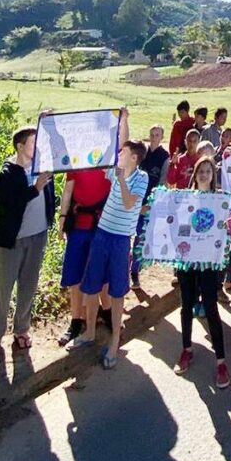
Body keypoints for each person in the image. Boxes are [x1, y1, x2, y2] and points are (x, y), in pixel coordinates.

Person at [73, 114, 148, 369]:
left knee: (117, 292)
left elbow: (129, 204)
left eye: (124, 153)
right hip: (102, 234)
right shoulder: (115, 169)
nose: (120, 154)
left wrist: (123, 179)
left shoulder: (141, 177)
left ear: (134, 158)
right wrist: (124, 118)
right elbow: (121, 140)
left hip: (120, 242)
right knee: (91, 286)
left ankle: (115, 340)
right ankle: (91, 331)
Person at [0, 125, 55, 355]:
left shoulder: (43, 168)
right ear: (20, 146)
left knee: (28, 286)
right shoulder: (8, 173)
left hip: (37, 237)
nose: (38, 147)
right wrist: (34, 189)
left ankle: (22, 330)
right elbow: (6, 203)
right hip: (11, 242)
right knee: (3, 290)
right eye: (33, 143)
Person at [172, 156, 231, 388]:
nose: (204, 174)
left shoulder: (220, 201)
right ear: (194, 175)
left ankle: (221, 361)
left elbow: (227, 226)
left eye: (208, 171)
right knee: (186, 306)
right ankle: (186, 349)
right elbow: (176, 225)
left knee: (211, 307)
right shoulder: (185, 199)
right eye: (200, 171)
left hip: (207, 262)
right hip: (187, 262)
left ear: (213, 175)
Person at [57, 167, 112, 345]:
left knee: (101, 276)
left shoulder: (109, 158)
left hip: (101, 223)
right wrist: (62, 217)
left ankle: (108, 312)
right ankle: (76, 321)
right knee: (76, 276)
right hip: (79, 224)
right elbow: (68, 189)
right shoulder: (77, 159)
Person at [131, 125, 169, 289]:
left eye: (157, 135)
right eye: (152, 134)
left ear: (161, 137)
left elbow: (162, 180)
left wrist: (153, 201)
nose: (154, 137)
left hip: (149, 201)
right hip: (135, 198)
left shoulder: (164, 157)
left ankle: (135, 270)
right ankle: (131, 268)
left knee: (142, 236)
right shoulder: (143, 153)